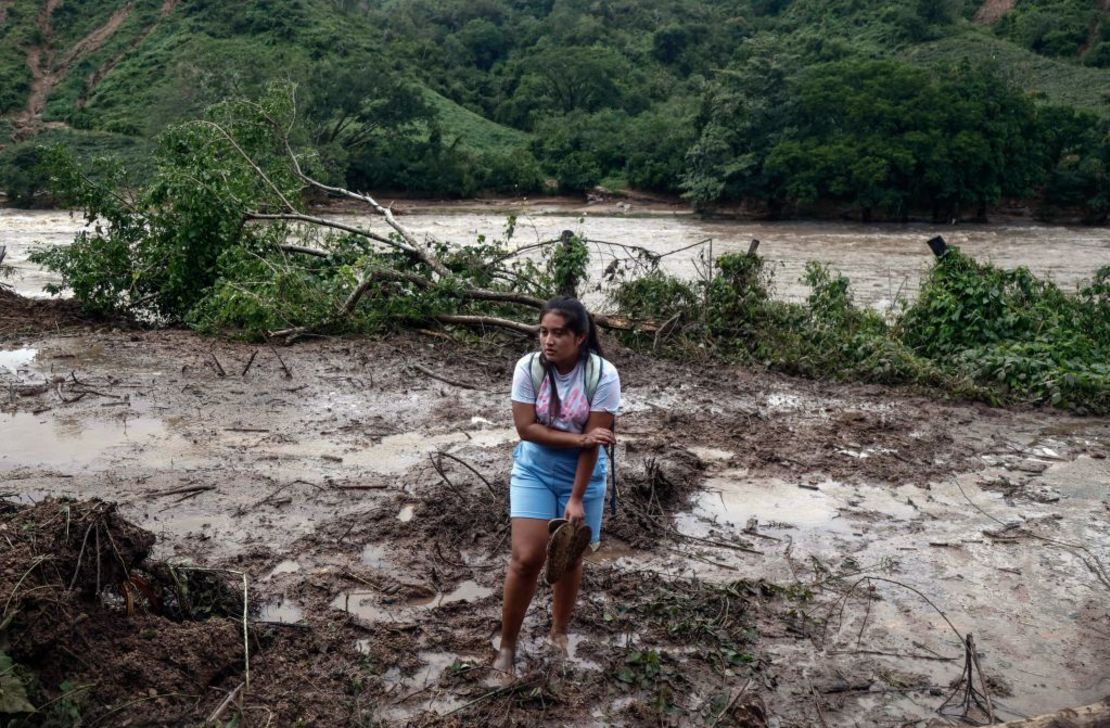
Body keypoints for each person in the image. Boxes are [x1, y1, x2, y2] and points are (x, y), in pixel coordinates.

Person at [493, 296, 621, 676]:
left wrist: (577, 498)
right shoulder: (528, 368)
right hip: (534, 469)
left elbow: (594, 442)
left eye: (558, 333)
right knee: (526, 558)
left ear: (580, 337)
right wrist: (578, 439)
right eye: (543, 332)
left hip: (583, 474)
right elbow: (526, 429)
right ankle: (507, 645)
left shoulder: (602, 375)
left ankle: (559, 633)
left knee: (569, 558)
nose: (548, 341)